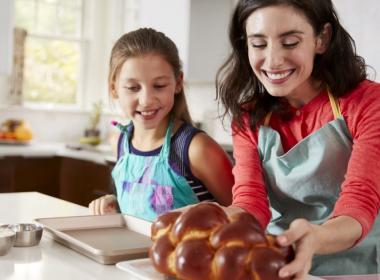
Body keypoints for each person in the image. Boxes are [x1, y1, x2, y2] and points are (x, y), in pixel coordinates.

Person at [216, 0, 380, 278]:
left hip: (360, 268)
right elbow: (250, 202)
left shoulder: (367, 103)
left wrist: (314, 238)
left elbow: (359, 202)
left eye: (290, 42)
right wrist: (217, 218)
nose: (273, 60)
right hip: (281, 263)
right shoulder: (248, 117)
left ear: (322, 38)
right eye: (258, 44)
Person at [89, 28, 234, 222]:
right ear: (114, 88)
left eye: (159, 86)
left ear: (178, 83)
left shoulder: (196, 149)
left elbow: (245, 216)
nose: (146, 100)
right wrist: (114, 203)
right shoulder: (122, 142)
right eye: (133, 88)